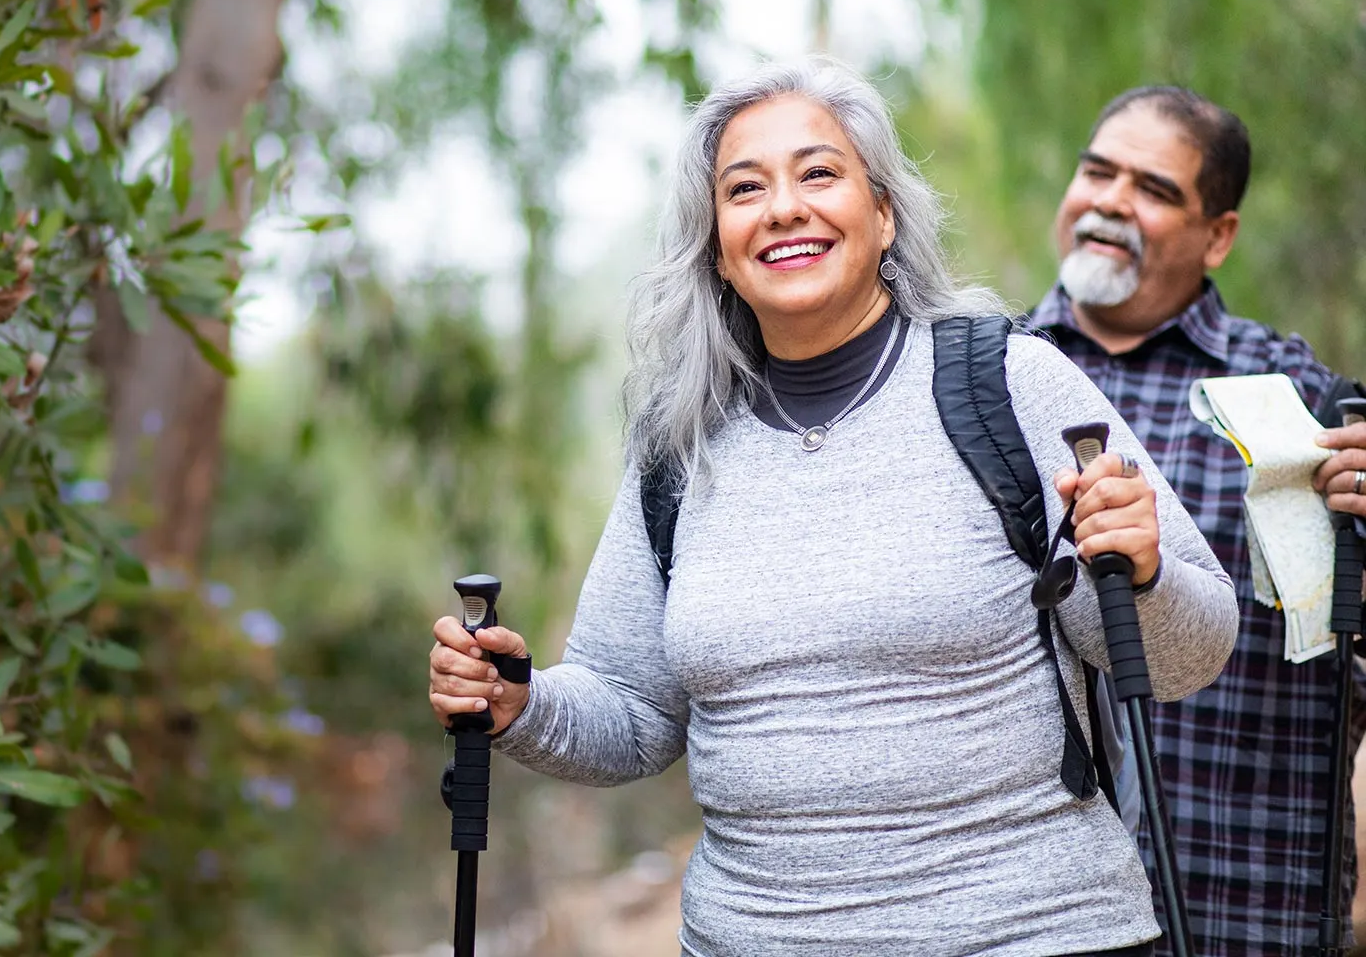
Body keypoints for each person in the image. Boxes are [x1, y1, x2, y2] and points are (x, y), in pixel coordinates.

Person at [425, 57, 1239, 956]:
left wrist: (1148, 571)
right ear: (718, 249)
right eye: (745, 189)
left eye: (819, 173)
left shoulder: (1010, 384)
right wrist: (517, 702)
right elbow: (632, 714)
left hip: (1029, 932)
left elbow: (1183, 656)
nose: (783, 208)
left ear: (883, 213)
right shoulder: (679, 443)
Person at [1029, 85, 1366, 956]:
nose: (1109, 200)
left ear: (1218, 234)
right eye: (1096, 171)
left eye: (1153, 188)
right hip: (1031, 915)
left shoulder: (1303, 406)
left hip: (1249, 899)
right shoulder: (978, 385)